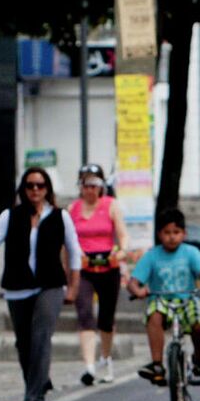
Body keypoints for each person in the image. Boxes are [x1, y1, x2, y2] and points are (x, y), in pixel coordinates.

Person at [0, 167, 82, 401]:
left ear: (47, 189)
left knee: (41, 337)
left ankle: (36, 397)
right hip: (17, 287)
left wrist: (74, 287)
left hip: (51, 286)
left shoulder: (60, 216)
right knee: (24, 345)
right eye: (30, 185)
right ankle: (40, 382)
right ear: (23, 189)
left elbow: (75, 252)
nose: (35, 190)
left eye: (40, 185)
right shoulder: (10, 216)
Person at [128, 208, 200, 386]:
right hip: (161, 300)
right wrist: (138, 291)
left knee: (199, 323)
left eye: (176, 232)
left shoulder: (191, 252)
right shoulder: (151, 255)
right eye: (166, 232)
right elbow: (133, 282)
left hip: (188, 299)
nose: (171, 237)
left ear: (184, 233)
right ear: (159, 234)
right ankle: (157, 365)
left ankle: (199, 358)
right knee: (154, 315)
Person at [70, 164, 132, 387]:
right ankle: (89, 365)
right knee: (85, 313)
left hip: (108, 265)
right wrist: (75, 256)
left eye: (95, 185)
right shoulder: (73, 209)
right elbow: (68, 240)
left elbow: (122, 234)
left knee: (106, 316)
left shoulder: (111, 206)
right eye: (86, 185)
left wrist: (121, 251)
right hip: (84, 267)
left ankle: (106, 358)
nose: (90, 190)